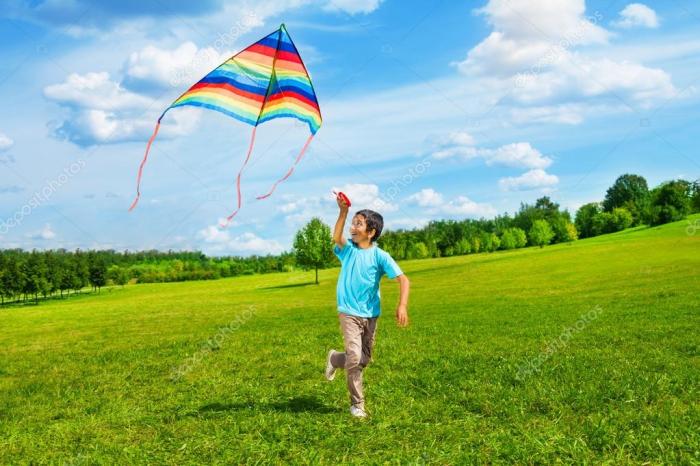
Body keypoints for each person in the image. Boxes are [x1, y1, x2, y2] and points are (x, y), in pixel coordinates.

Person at [325, 192, 410, 418]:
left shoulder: (381, 256)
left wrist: (402, 306)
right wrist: (343, 212)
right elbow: (336, 237)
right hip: (348, 312)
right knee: (354, 357)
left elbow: (404, 279)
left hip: (371, 314)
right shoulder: (348, 251)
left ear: (371, 232)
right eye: (353, 222)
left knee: (363, 359)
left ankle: (334, 358)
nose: (353, 227)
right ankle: (357, 404)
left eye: (358, 224)